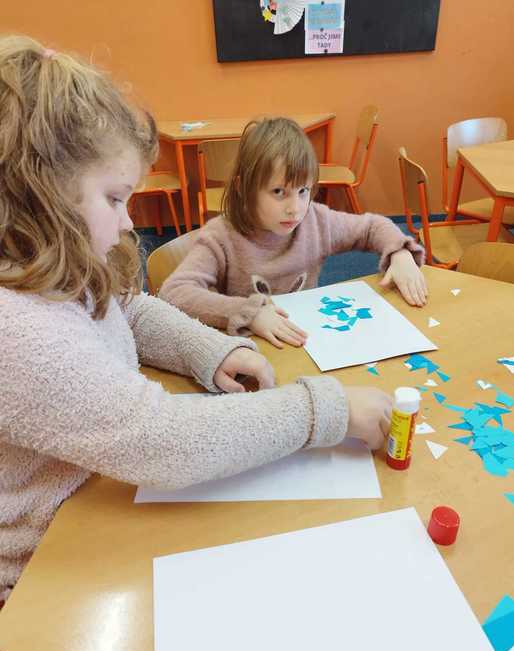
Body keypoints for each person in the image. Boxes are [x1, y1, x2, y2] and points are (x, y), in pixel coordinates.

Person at [0, 37, 392, 603]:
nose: (129, 223)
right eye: (114, 199)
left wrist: (211, 350)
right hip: (45, 569)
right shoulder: (18, 329)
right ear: (40, 194)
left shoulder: (53, 260)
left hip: (99, 489)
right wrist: (326, 410)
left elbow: (128, 309)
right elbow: (164, 440)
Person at [159, 117, 428, 348]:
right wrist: (249, 313)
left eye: (303, 191)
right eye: (279, 192)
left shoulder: (316, 221)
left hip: (307, 342)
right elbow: (174, 292)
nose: (295, 209)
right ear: (243, 188)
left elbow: (372, 227)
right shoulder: (221, 236)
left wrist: (400, 254)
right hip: (254, 351)